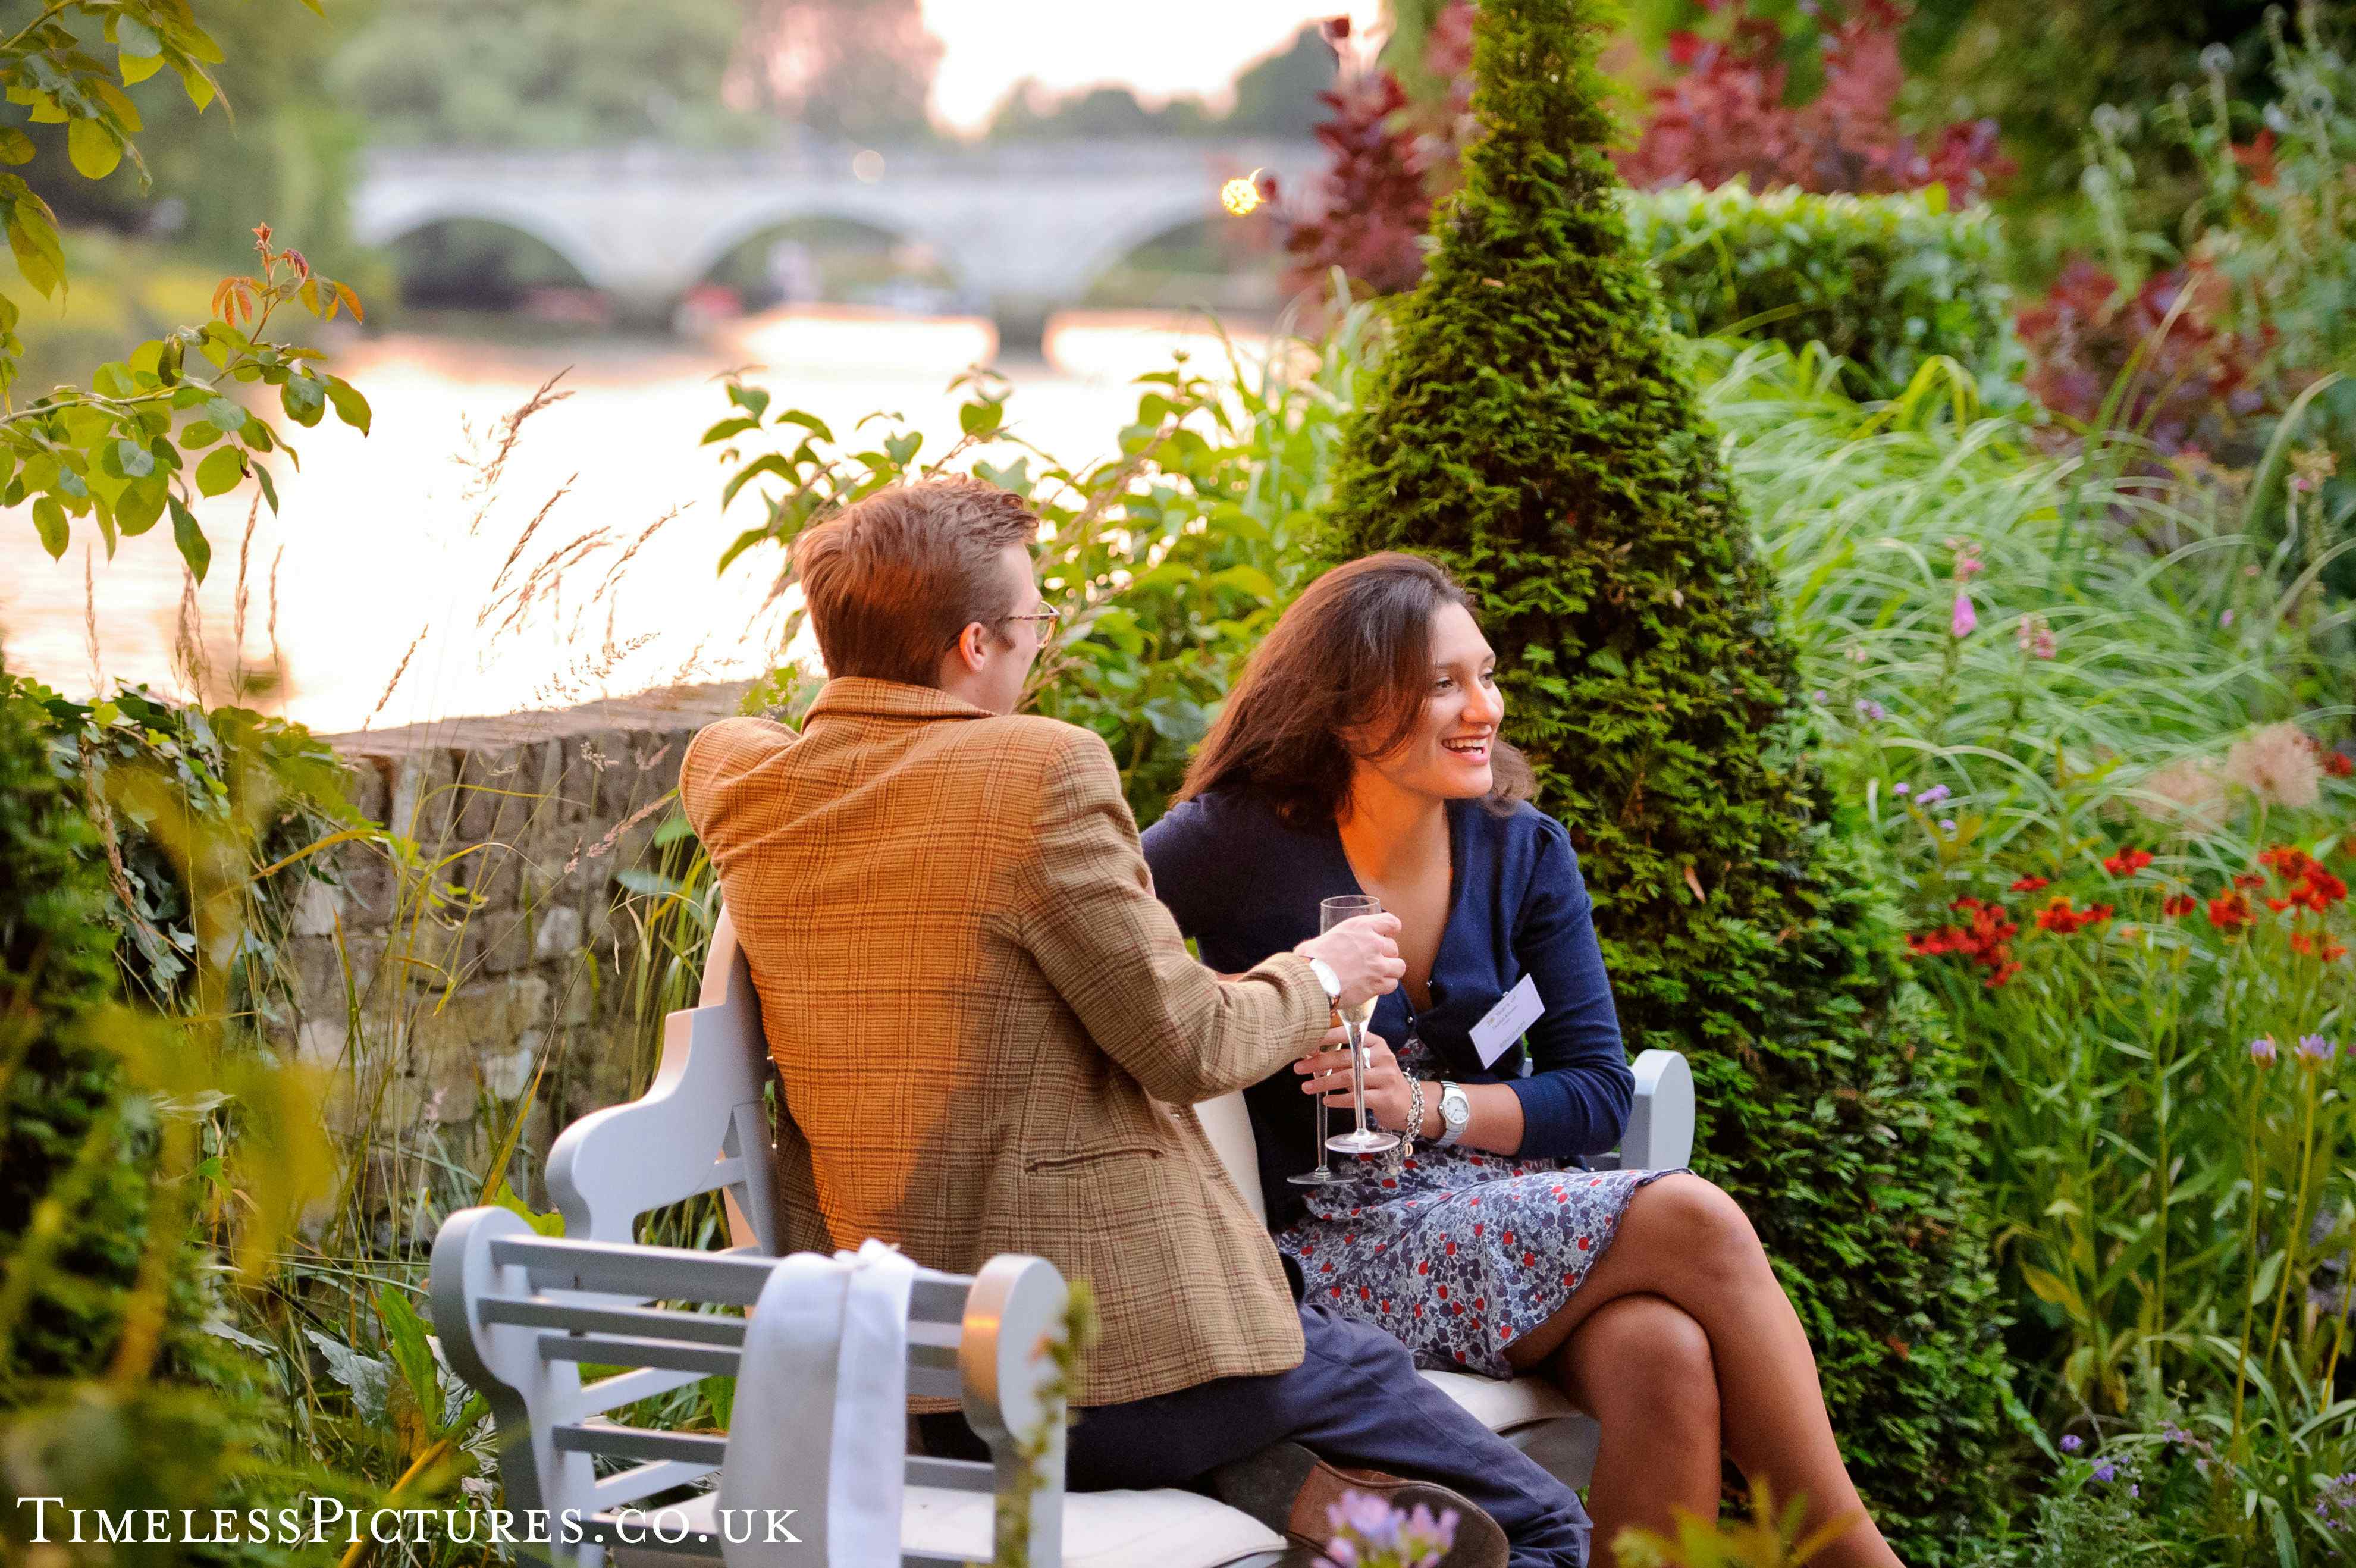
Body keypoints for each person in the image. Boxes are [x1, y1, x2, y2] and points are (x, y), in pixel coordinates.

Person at [677, 481, 1595, 1568]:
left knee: (1392, 1528)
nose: (1037, 650)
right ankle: (1311, 1491)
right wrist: (1316, 974)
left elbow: (737, 743)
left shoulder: (748, 785)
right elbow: (1188, 1046)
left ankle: (1310, 1501)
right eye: (1033, 624)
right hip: (1120, 1360)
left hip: (905, 1367)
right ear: (976, 643)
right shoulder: (1037, 770)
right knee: (1540, 1525)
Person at [1140, 553, 1910, 1568]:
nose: (1482, 709)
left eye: (1486, 675)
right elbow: (1109, 963)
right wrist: (1257, 1004)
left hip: (1503, 1212)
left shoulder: (1523, 850)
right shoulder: (1229, 842)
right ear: (1345, 707)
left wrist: (1426, 1106)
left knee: (1660, 1352)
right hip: (1331, 1250)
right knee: (1692, 1213)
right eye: (1442, 684)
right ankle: (1847, 1553)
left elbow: (1595, 1092)